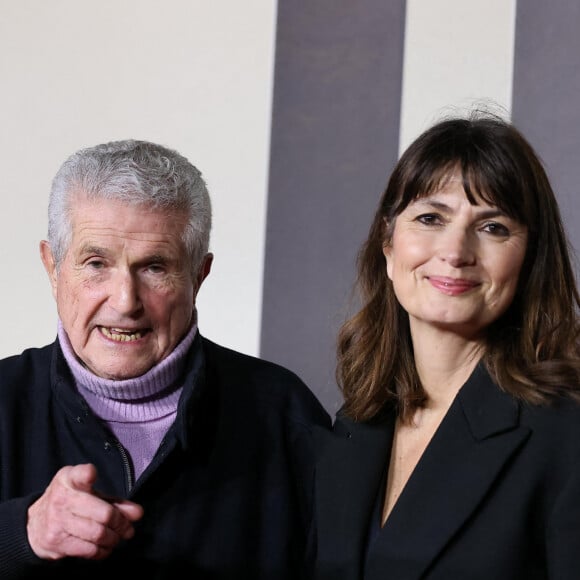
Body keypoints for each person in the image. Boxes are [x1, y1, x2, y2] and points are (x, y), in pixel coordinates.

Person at [0, 139, 330, 578]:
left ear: (200, 274)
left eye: (154, 267)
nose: (125, 301)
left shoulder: (284, 413)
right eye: (96, 263)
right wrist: (22, 533)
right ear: (53, 267)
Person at [313, 112, 580, 579]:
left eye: (493, 227)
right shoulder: (354, 427)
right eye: (430, 218)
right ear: (388, 245)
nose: (455, 252)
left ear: (530, 258)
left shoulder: (566, 438)